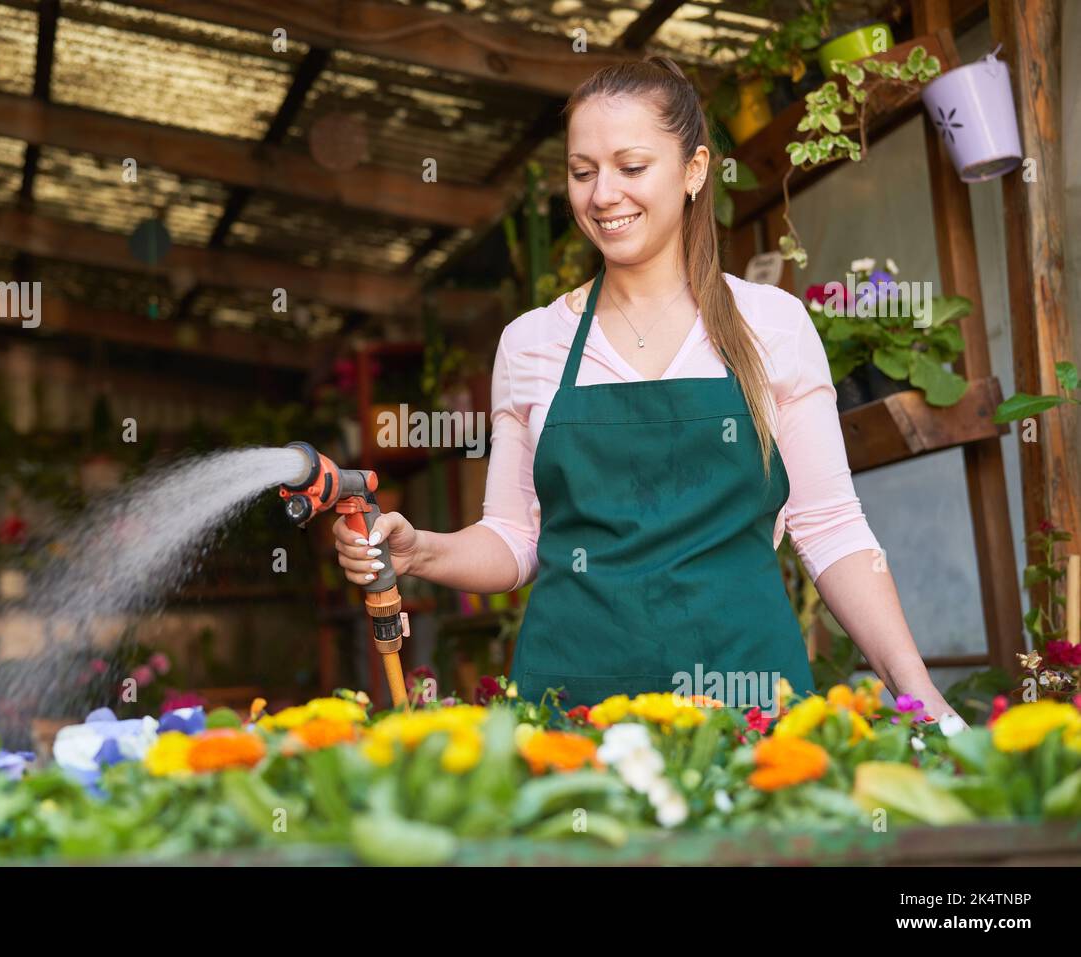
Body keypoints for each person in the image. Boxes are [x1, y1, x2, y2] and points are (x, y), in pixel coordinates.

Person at [333, 53, 960, 722]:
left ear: (693, 170)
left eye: (631, 167)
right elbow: (516, 538)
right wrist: (421, 549)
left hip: (750, 709)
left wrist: (922, 699)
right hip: (571, 713)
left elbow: (830, 528)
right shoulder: (533, 342)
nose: (603, 194)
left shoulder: (771, 325)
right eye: (583, 172)